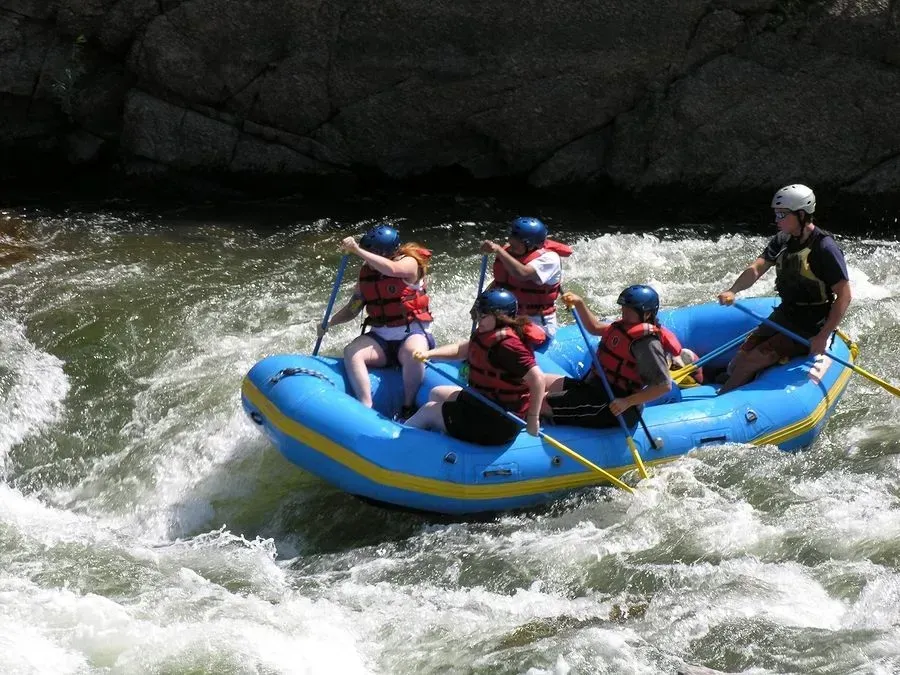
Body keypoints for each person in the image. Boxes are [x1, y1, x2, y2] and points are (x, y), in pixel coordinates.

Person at [716, 184, 851, 393]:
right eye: (776, 214)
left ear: (801, 215)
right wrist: (733, 290)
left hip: (812, 323)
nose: (777, 220)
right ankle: (739, 381)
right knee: (738, 362)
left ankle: (721, 398)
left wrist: (823, 336)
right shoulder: (782, 240)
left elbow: (844, 295)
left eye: (782, 214)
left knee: (750, 362)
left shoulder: (824, 248)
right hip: (786, 314)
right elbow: (756, 268)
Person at [317, 224, 435, 418]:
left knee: (412, 354)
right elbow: (353, 308)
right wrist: (329, 322)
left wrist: (356, 250)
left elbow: (393, 269)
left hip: (412, 332)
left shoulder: (409, 263)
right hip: (381, 337)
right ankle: (366, 405)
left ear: (387, 253)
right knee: (352, 351)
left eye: (371, 253)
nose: (367, 259)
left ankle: (408, 406)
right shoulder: (367, 272)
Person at [405, 289, 546, 445]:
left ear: (501, 317)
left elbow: (538, 379)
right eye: (478, 314)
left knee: (429, 411)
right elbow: (460, 350)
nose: (479, 320)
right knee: (436, 393)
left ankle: (398, 444)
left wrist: (533, 419)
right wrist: (428, 354)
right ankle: (442, 438)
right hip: (484, 404)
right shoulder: (488, 333)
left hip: (499, 421)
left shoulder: (508, 346)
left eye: (483, 316)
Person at [541, 286, 677, 428]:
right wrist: (579, 303)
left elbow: (664, 386)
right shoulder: (623, 327)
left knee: (540, 402)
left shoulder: (646, 343)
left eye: (629, 309)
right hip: (594, 388)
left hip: (614, 406)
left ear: (647, 314)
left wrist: (627, 402)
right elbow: (594, 327)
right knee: (540, 381)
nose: (624, 311)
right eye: (623, 307)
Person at [480, 217, 572, 344]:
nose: (510, 244)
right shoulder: (509, 252)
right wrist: (479, 305)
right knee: (480, 339)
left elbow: (522, 274)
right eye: (511, 238)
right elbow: (500, 283)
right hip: (510, 318)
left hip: (538, 323)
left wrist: (499, 250)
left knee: (504, 344)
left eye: (516, 243)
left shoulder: (550, 259)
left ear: (531, 245)